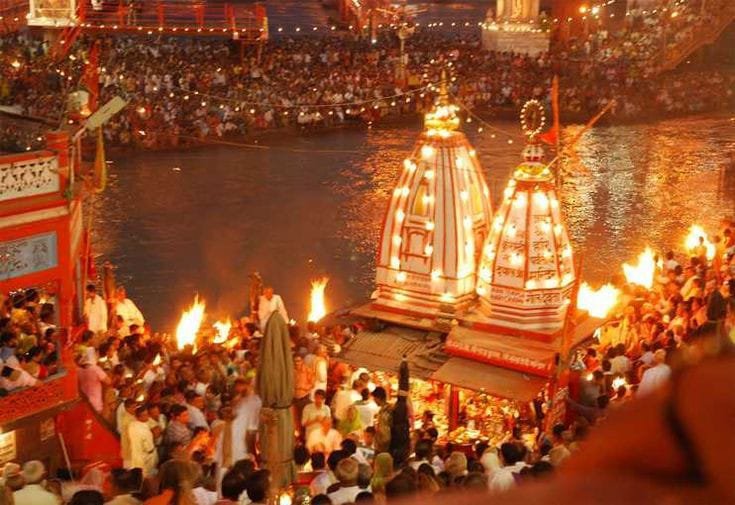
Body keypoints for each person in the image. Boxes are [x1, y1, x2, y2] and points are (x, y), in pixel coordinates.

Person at [231, 378, 261, 462]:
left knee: (254, 452)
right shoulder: (237, 401)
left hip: (255, 430)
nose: (239, 390)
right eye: (237, 389)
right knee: (248, 453)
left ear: (247, 385)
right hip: (244, 431)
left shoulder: (257, 399)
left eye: (241, 387)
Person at [128, 406, 158, 477]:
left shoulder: (132, 425)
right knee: (146, 475)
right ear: (140, 417)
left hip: (136, 454)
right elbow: (148, 447)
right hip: (145, 456)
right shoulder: (142, 431)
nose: (148, 416)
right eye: (145, 415)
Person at [372, 387, 392, 453]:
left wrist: (379, 445)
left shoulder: (385, 412)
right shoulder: (386, 409)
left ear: (378, 398)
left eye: (374, 398)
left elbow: (385, 434)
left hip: (383, 447)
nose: (374, 400)